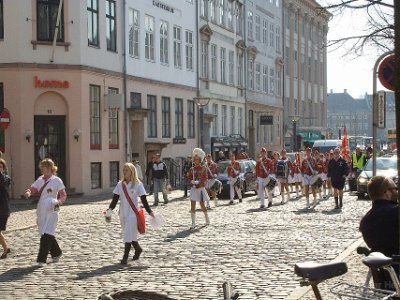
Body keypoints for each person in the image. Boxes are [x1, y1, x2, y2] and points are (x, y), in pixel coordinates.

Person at [106, 163, 154, 264]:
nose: (124, 172)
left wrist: (150, 212)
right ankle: (138, 249)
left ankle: (125, 257)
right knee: (129, 234)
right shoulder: (120, 184)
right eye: (123, 170)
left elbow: (144, 200)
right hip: (123, 213)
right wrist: (109, 210)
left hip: (133, 213)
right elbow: (115, 199)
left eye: (126, 170)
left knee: (128, 234)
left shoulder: (138, 184)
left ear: (132, 171)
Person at [24, 158, 67, 266]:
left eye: (47, 168)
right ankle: (56, 253)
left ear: (52, 168)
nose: (45, 170)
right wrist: (28, 192)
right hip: (42, 208)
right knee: (44, 232)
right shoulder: (40, 180)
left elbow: (63, 195)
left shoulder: (57, 180)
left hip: (53, 207)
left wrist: (59, 202)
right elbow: (32, 188)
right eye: (43, 168)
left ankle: (41, 259)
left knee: (47, 233)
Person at [359, 176, 399, 289]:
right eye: (395, 188)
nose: (397, 191)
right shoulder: (396, 213)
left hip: (382, 279)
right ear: (386, 192)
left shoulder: (365, 221)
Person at [186, 148, 210, 229]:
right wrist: (191, 182)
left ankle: (207, 218)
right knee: (192, 205)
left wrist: (199, 182)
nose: (195, 160)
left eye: (196, 159)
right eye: (194, 159)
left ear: (199, 160)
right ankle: (193, 223)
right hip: (193, 189)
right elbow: (188, 177)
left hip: (200, 189)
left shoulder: (203, 168)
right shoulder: (191, 169)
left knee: (202, 205)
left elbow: (205, 178)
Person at [0, 159, 11, 259]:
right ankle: (6, 248)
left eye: (0, 167)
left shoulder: (6, 178)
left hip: (2, 209)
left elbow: (2, 182)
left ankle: (6, 247)